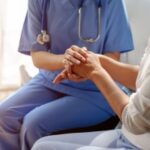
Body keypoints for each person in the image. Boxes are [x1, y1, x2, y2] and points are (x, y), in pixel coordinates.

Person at [0, 0, 134, 150]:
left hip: (97, 89)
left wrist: (85, 67)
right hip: (50, 80)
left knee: (33, 125)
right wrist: (67, 60)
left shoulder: (111, 2)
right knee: (4, 114)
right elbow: (37, 56)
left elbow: (112, 57)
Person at [32, 39, 150, 150]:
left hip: (140, 143)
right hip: (128, 135)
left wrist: (96, 72)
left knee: (41, 144)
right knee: (40, 144)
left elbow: (134, 121)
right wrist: (95, 60)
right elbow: (144, 78)